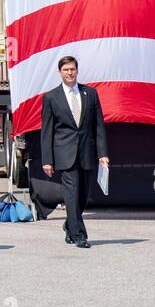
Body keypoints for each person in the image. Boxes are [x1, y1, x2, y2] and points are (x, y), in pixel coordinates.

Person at [38, 56, 109, 248]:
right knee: (72, 193)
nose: (69, 73)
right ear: (60, 72)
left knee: (83, 194)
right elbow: (47, 131)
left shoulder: (90, 94)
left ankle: (70, 224)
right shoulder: (51, 97)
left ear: (77, 71)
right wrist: (47, 160)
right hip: (64, 154)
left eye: (72, 69)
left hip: (87, 152)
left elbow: (98, 126)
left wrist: (103, 153)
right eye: (65, 70)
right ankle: (79, 235)